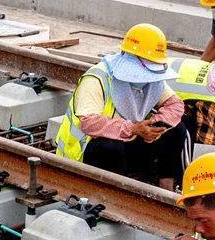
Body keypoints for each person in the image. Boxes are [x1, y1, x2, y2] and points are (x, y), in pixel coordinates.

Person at [54, 24, 185, 184]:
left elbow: (175, 104)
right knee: (109, 147)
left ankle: (164, 188)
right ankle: (115, 192)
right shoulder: (97, 79)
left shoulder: (151, 81)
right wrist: (132, 129)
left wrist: (154, 125)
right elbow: (89, 123)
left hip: (129, 140)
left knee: (176, 130)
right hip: (86, 151)